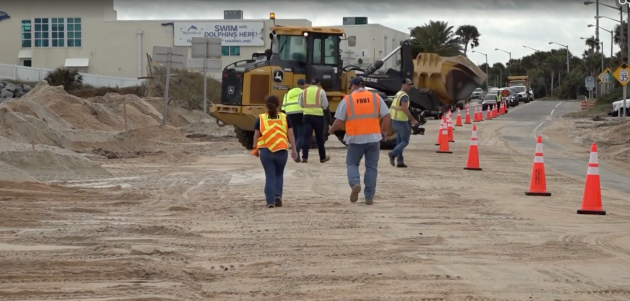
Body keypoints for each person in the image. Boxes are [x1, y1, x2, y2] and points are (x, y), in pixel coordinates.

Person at [328, 77, 391, 205]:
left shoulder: (348, 100)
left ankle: (355, 183)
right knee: (372, 167)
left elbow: (339, 122)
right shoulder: (376, 98)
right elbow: (387, 115)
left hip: (355, 138)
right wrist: (383, 131)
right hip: (374, 138)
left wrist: (329, 131)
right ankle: (369, 196)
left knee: (352, 164)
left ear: (353, 86)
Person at [252, 95, 298, 208]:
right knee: (279, 174)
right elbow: (290, 134)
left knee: (270, 176)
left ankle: (270, 201)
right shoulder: (285, 117)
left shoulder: (261, 118)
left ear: (266, 106)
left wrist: (255, 148)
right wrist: (294, 150)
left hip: (266, 151)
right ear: (278, 105)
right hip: (281, 150)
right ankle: (278, 197)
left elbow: (256, 135)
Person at [388, 78, 419, 168]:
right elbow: (404, 109)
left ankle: (400, 161)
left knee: (399, 142)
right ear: (403, 84)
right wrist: (413, 120)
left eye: (410, 84)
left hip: (395, 120)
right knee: (405, 141)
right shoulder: (404, 96)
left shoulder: (398, 94)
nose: (409, 86)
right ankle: (392, 153)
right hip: (401, 122)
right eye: (408, 84)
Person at [298, 78, 331, 163]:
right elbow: (325, 104)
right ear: (318, 83)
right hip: (318, 116)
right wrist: (321, 108)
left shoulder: (304, 91)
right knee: (319, 138)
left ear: (310, 83)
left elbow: (301, 104)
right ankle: (322, 157)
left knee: (306, 137)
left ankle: (304, 157)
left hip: (307, 116)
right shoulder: (321, 91)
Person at [282, 79, 306, 162]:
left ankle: (297, 155)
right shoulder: (303, 93)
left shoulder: (287, 94)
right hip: (300, 113)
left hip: (290, 114)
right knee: (301, 135)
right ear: (303, 85)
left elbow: (283, 108)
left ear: (296, 84)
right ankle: (296, 153)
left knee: (295, 135)